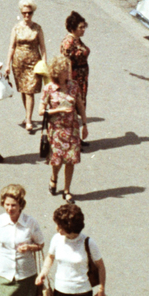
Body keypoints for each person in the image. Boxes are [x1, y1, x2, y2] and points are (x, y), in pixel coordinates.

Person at [40, 56, 82, 198]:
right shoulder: (49, 89)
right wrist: (59, 110)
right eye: (64, 70)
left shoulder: (74, 86)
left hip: (72, 129)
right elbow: (41, 111)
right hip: (56, 130)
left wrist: (86, 124)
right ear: (57, 72)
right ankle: (54, 177)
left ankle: (66, 190)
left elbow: (80, 104)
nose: (68, 72)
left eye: (68, 69)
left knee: (71, 160)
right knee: (57, 160)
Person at [7, 0, 46, 132]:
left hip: (33, 63)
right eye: (24, 13)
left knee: (30, 91)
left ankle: (28, 120)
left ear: (33, 13)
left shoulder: (37, 28)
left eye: (29, 13)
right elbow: (12, 47)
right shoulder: (16, 28)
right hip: (18, 63)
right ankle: (27, 115)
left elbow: (43, 47)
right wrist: (7, 64)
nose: (27, 15)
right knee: (23, 90)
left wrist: (44, 63)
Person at [60, 11, 91, 142]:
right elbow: (66, 63)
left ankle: (78, 137)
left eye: (84, 27)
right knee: (74, 106)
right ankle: (73, 137)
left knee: (80, 106)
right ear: (73, 28)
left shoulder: (77, 40)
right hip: (74, 78)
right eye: (81, 27)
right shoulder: (69, 42)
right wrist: (69, 82)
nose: (83, 30)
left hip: (82, 78)